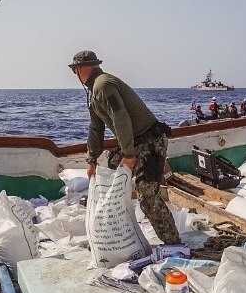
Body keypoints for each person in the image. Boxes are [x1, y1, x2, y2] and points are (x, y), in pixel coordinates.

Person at [68, 50, 181, 245]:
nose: (75, 75)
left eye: (75, 70)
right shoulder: (93, 91)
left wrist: (128, 155)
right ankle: (112, 239)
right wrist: (92, 160)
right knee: (110, 181)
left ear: (80, 69)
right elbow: (96, 127)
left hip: (150, 142)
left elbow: (121, 119)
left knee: (148, 198)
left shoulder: (103, 86)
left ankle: (174, 244)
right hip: (134, 142)